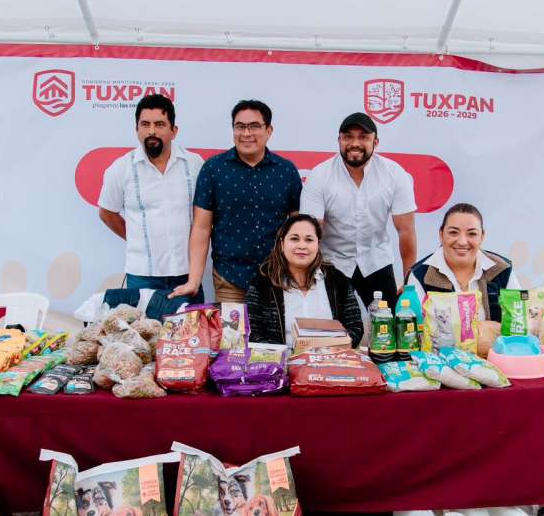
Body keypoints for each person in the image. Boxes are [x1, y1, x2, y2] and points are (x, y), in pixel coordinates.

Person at [170, 99, 302, 303]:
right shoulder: (213, 169)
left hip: (277, 279)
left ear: (269, 130)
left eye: (254, 126)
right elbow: (201, 228)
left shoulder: (287, 171)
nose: (246, 133)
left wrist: (298, 273)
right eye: (240, 126)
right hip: (229, 279)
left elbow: (299, 228)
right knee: (231, 326)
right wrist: (194, 280)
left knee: (276, 326)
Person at [300, 112, 417, 311]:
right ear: (339, 140)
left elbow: (406, 230)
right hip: (332, 262)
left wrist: (409, 281)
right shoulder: (320, 175)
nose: (355, 143)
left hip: (376, 260)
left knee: (391, 323)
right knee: (328, 325)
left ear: (375, 142)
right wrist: (305, 275)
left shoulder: (394, 174)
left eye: (363, 137)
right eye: (348, 137)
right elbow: (311, 232)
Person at [98, 94, 205, 304]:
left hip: (187, 273)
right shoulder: (121, 169)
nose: (152, 131)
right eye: (145, 124)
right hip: (142, 276)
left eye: (159, 124)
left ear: (174, 131)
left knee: (190, 326)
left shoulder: (194, 164)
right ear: (137, 129)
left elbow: (205, 216)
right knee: (143, 326)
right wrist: (137, 238)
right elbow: (107, 212)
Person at [246, 214, 363, 348]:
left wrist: (330, 350)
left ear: (318, 244)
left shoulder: (337, 280)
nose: (302, 246)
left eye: (309, 240)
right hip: (281, 360)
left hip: (330, 358)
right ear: (282, 244)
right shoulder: (263, 282)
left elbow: (355, 327)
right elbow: (252, 332)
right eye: (294, 239)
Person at [406, 203, 519, 322]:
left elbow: (519, 323)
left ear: (482, 237)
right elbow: (414, 327)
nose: (462, 242)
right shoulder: (420, 275)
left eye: (472, 234)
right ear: (441, 234)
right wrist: (480, 330)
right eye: (453, 232)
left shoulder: (502, 269)